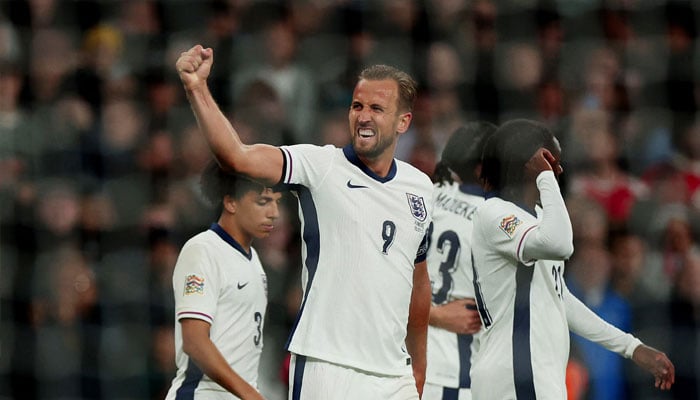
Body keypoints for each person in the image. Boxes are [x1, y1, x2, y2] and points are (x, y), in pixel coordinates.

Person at [176, 45, 434, 399]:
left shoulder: (420, 188)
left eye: (377, 108)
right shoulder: (320, 167)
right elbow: (237, 157)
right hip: (327, 367)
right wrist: (197, 88)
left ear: (403, 121)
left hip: (394, 374)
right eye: (357, 106)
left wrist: (418, 364)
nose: (363, 117)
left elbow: (418, 281)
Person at [469, 118, 675, 400]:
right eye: (553, 161)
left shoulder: (536, 222)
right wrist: (545, 177)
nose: (559, 170)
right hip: (514, 377)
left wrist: (631, 347)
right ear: (532, 161)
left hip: (541, 378)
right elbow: (561, 245)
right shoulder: (494, 213)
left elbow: (560, 298)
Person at [165, 160, 282, 400]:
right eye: (262, 202)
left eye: (275, 202)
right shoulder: (203, 250)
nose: (274, 213)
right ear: (230, 202)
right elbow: (195, 342)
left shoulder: (255, 260)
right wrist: (250, 394)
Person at [423, 122, 496, 400]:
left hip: (405, 356)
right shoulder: (496, 218)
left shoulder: (426, 195)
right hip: (454, 371)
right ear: (482, 167)